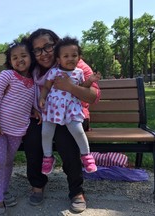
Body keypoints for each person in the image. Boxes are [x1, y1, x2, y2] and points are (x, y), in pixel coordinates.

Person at [22, 28, 101, 213]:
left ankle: (76, 191)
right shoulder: (34, 70)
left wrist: (70, 86)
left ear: (56, 45)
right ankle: (37, 184)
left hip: (73, 115)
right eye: (38, 50)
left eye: (48, 46)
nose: (44, 53)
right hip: (47, 115)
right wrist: (34, 108)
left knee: (66, 138)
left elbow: (94, 96)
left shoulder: (74, 61)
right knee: (33, 135)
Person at [0, 37, 35, 215]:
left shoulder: (33, 80)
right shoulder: (6, 75)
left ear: (31, 58)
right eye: (14, 57)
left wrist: (36, 110)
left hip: (17, 130)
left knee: (8, 162)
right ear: (10, 61)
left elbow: (30, 101)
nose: (19, 59)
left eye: (23, 55)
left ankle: (4, 191)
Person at [38, 36, 101, 175]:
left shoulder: (79, 72)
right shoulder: (54, 72)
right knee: (46, 133)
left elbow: (83, 87)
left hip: (71, 108)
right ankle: (48, 157)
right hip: (53, 108)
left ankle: (86, 156)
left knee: (78, 131)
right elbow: (46, 87)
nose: (70, 58)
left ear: (79, 58)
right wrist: (42, 98)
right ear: (58, 60)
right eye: (66, 56)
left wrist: (90, 80)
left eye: (74, 55)